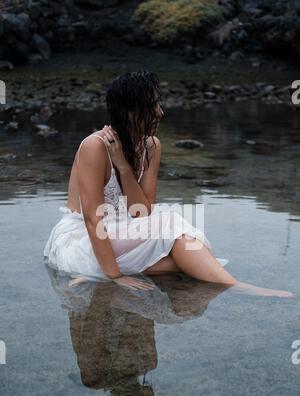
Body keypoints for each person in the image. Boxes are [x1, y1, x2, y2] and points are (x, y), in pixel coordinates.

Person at [43, 70, 293, 297]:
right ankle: (233, 285)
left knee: (177, 244)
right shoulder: (94, 146)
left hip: (123, 231)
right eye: (152, 105)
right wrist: (116, 276)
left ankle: (228, 283)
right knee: (176, 232)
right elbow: (92, 219)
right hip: (83, 239)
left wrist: (124, 167)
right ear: (131, 111)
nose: (160, 112)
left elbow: (142, 212)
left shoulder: (152, 146)